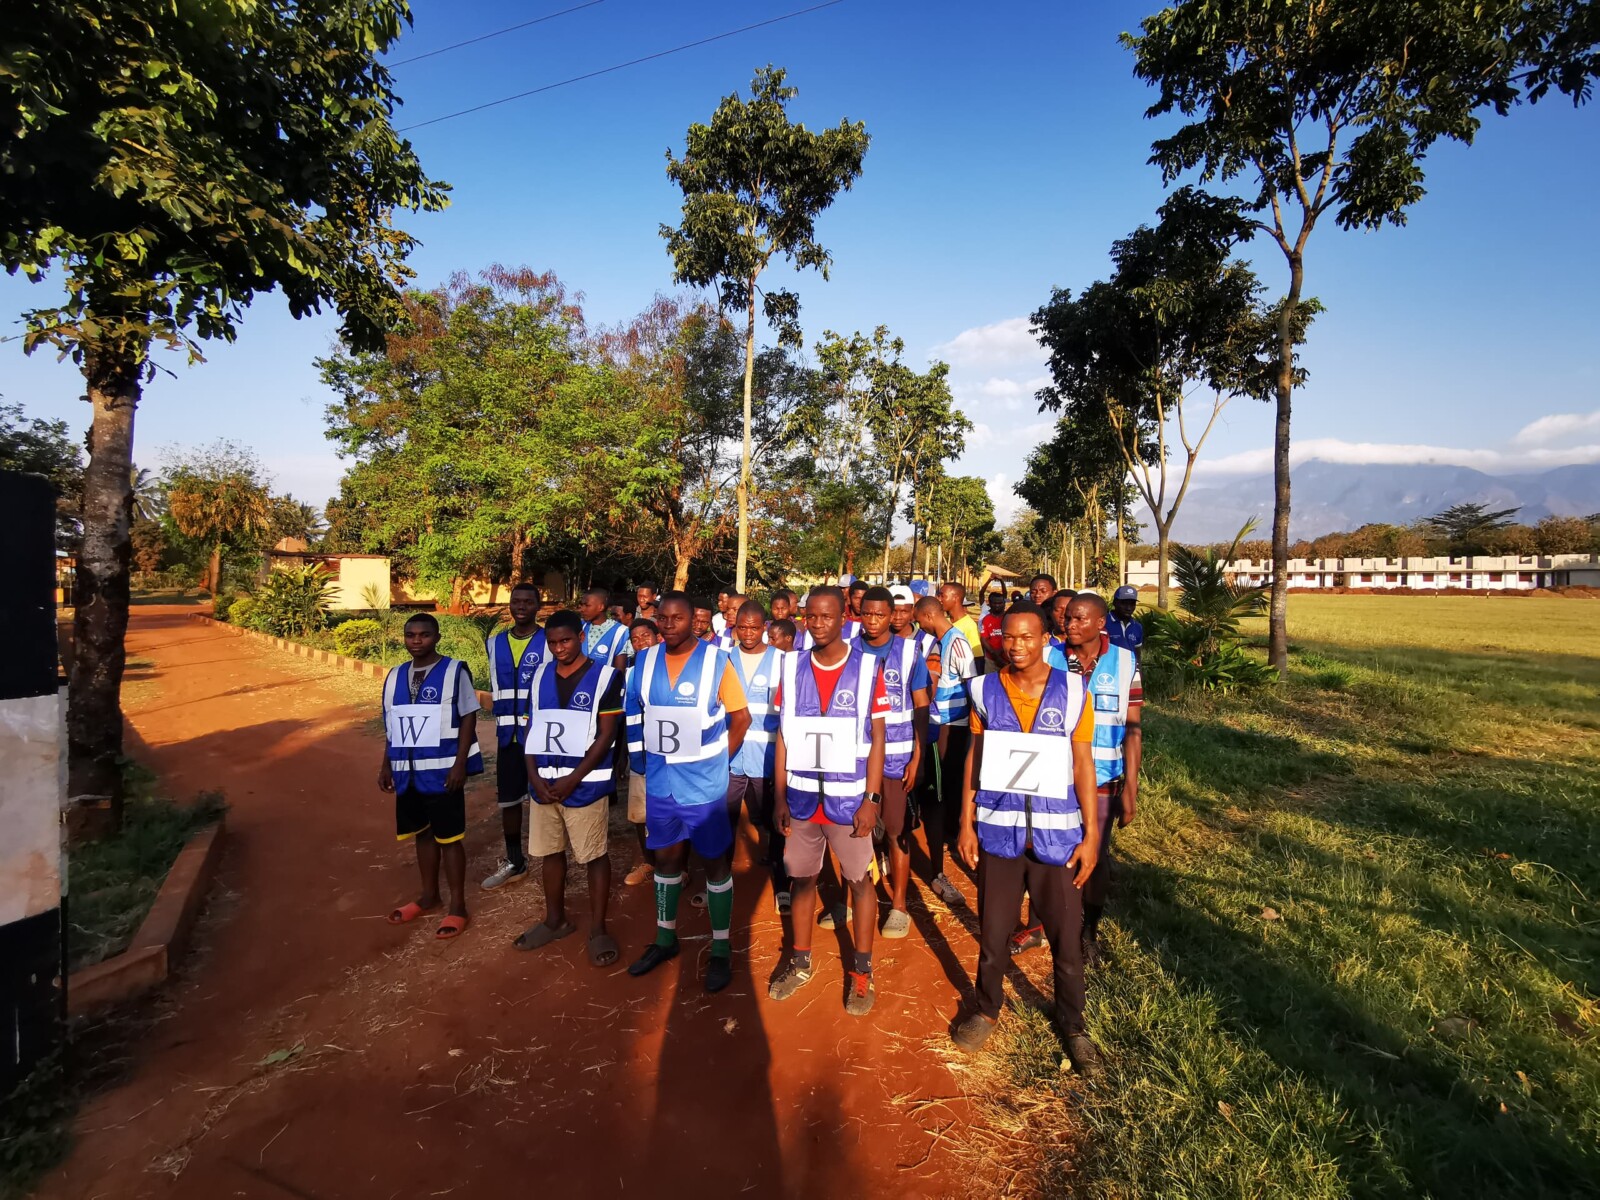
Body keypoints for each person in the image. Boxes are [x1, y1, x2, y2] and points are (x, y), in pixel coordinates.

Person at [951, 601, 1102, 1076]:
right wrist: (965, 820)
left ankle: (1073, 1025)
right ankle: (986, 1008)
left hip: (1058, 836)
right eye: (1009, 637)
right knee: (994, 933)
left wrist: (1092, 833)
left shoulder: (1074, 691)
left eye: (1027, 637)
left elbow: (1082, 764)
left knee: (1066, 941)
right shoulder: (982, 690)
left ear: (1045, 640)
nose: (1016, 646)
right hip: (999, 832)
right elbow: (974, 758)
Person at [769, 586, 889, 1016]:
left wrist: (872, 798)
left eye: (826, 616)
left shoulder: (868, 668)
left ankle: (861, 970)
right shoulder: (790, 666)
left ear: (844, 619)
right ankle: (800, 960)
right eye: (811, 617)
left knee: (860, 881)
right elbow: (783, 735)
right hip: (801, 799)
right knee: (802, 881)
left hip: (848, 800)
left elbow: (878, 738)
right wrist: (779, 793)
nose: (817, 624)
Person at [624, 593, 751, 993]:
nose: (669, 625)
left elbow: (741, 718)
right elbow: (633, 713)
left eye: (677, 618)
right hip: (662, 785)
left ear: (693, 620)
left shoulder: (717, 660)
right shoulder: (643, 662)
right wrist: (639, 764)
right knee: (666, 860)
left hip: (704, 788)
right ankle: (665, 939)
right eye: (663, 618)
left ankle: (720, 947)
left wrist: (718, 760)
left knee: (714, 864)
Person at [1013, 592, 1143, 966]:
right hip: (1051, 777)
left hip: (1103, 779)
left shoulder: (1124, 661)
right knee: (1042, 852)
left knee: (1096, 857)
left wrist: (1131, 788)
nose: (1068, 624)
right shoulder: (1049, 657)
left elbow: (1133, 727)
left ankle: (1089, 932)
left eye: (1078, 619)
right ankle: (1037, 928)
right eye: (1066, 618)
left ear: (1100, 623)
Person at [516, 611, 624, 966]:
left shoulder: (606, 677)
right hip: (544, 784)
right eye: (552, 643)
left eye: (565, 640)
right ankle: (555, 920)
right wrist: (533, 778)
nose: (559, 648)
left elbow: (607, 735)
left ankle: (598, 928)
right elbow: (531, 729)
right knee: (550, 852)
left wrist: (572, 778)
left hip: (584, 786)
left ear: (581, 636)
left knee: (593, 855)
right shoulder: (539, 676)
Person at [381, 613, 484, 940]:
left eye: (424, 635)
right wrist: (385, 764)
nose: (416, 641)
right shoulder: (395, 676)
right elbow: (393, 725)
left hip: (442, 773)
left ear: (437, 637)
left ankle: (457, 906)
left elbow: (468, 718)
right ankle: (429, 895)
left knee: (449, 839)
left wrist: (460, 764)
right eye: (410, 635)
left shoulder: (454, 672)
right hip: (408, 775)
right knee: (422, 835)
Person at [856, 586, 929, 937]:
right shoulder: (847, 650)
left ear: (893, 615)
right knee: (856, 830)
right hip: (855, 757)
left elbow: (920, 706)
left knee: (897, 833)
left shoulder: (909, 652)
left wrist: (918, 755)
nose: (872, 621)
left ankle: (899, 905)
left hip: (898, 758)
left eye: (880, 614)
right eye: (866, 613)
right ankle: (854, 898)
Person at [481, 583, 546, 890]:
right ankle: (514, 860)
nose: (520, 606)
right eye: (515, 601)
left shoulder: (550, 640)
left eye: (527, 602)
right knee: (509, 801)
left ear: (538, 605)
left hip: (542, 735)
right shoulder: (493, 642)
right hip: (508, 735)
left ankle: (551, 857)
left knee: (545, 798)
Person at [726, 599, 789, 913]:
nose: (747, 633)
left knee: (774, 823)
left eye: (754, 627)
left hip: (768, 759)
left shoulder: (782, 661)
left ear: (765, 627)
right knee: (724, 819)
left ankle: (782, 883)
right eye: (741, 627)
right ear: (734, 627)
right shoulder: (724, 660)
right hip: (730, 759)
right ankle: (719, 882)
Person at [914, 594, 976, 906]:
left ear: (927, 617)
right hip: (944, 717)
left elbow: (970, 681)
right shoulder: (942, 641)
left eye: (918, 619)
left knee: (951, 776)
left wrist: (973, 720)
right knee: (945, 776)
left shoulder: (957, 641)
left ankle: (953, 832)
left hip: (957, 719)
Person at [622, 619, 662, 887]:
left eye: (645, 636)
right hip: (640, 756)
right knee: (640, 814)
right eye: (635, 639)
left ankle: (678, 868)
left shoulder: (669, 668)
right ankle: (649, 862)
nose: (640, 643)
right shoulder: (630, 673)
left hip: (670, 757)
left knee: (672, 813)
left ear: (658, 637)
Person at [579, 586, 630, 667]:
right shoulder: (579, 626)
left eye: (587, 605)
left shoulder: (621, 632)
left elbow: (620, 670)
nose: (582, 609)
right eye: (581, 605)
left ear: (601, 607)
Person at [939, 581, 984, 674]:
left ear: (955, 598)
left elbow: (977, 658)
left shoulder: (969, 626)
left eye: (942, 596)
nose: (939, 599)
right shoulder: (944, 621)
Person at [1107, 585, 1145, 657]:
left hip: (1129, 668)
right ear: (1115, 602)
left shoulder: (1137, 627)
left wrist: (1138, 668)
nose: (1128, 608)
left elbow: (1137, 656)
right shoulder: (1103, 623)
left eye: (1132, 604)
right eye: (1124, 603)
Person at [980, 591, 1006, 666]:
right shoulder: (986, 619)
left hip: (1007, 659)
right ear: (990, 604)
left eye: (1000, 603)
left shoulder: (1009, 618)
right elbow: (984, 639)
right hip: (991, 659)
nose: (997, 605)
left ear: (1004, 603)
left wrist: (1000, 652)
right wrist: (994, 655)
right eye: (995, 603)